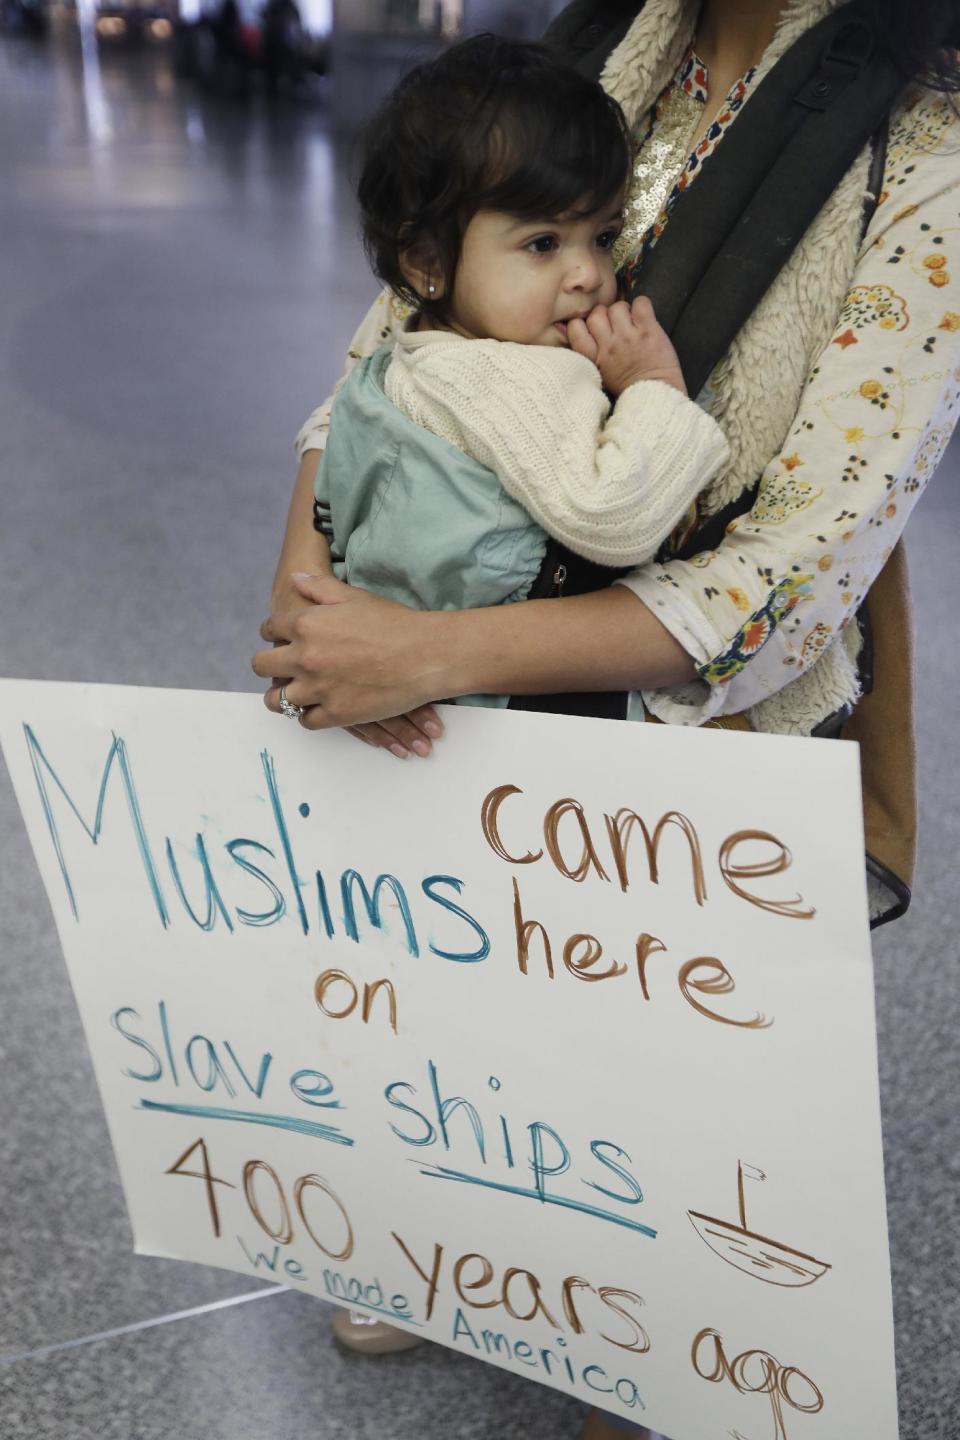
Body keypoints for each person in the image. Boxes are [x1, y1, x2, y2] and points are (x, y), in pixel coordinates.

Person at [254, 2, 960, 1436]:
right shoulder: (594, 48)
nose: (576, 271)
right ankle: (443, 1245)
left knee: (654, 1077)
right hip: (442, 675)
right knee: (446, 996)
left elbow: (793, 578)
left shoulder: (928, 133)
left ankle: (640, 1345)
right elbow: (390, 348)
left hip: (689, 731)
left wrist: (431, 652)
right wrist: (317, 590)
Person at [296, 35, 729, 717]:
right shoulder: (510, 377)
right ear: (427, 264)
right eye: (543, 244)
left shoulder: (399, 361)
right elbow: (611, 517)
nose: (588, 273)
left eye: (603, 237)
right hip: (489, 710)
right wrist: (653, 386)